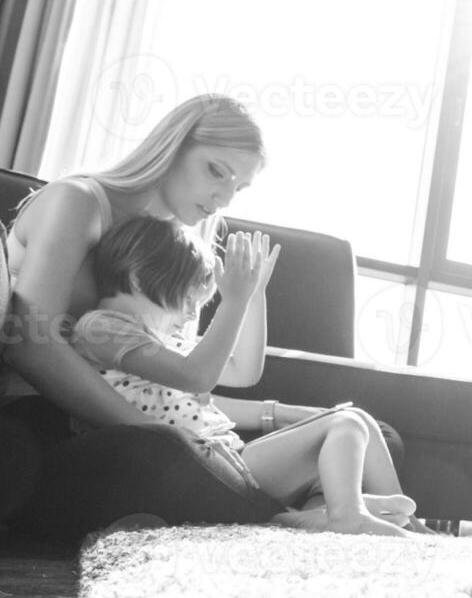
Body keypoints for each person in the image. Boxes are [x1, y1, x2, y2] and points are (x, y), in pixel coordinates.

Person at [1, 93, 402, 536]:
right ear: (174, 145)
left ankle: (312, 515)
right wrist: (161, 434)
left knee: (374, 433)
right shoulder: (79, 201)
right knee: (169, 453)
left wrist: (277, 414)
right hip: (54, 422)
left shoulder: (176, 243)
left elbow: (175, 386)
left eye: (238, 187)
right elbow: (30, 345)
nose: (223, 197)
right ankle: (303, 514)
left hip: (164, 425)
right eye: (216, 170)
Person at [71, 215, 419, 537]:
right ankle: (347, 516)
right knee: (346, 426)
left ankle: (393, 522)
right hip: (205, 468)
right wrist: (232, 302)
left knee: (360, 423)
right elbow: (198, 377)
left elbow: (244, 371)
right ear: (137, 276)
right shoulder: (101, 327)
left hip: (230, 458)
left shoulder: (164, 340)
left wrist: (252, 297)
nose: (192, 312)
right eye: (186, 298)